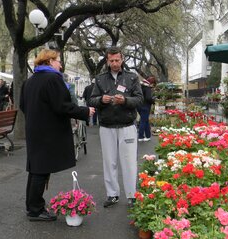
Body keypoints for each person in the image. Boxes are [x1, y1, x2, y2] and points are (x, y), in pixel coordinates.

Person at [20, 49, 95, 222]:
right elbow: (62, 106)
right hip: (48, 132)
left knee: (35, 169)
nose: (60, 64)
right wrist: (85, 111)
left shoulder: (30, 81)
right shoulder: (53, 79)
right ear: (49, 61)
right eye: (58, 60)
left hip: (35, 130)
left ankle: (32, 205)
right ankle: (36, 210)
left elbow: (24, 106)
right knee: (41, 170)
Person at [89, 46, 143, 208]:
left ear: (122, 59)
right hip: (107, 126)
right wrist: (100, 100)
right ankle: (112, 194)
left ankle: (132, 195)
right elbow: (91, 100)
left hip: (127, 125)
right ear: (107, 61)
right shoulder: (100, 79)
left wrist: (125, 101)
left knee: (129, 162)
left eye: (117, 60)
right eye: (111, 60)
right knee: (109, 161)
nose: (114, 63)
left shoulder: (132, 78)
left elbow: (140, 100)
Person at [137, 76, 156, 142]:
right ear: (151, 82)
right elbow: (148, 98)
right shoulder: (147, 87)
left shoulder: (140, 86)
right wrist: (153, 101)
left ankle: (148, 136)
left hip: (139, 105)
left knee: (145, 120)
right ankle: (140, 136)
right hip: (145, 106)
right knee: (143, 121)